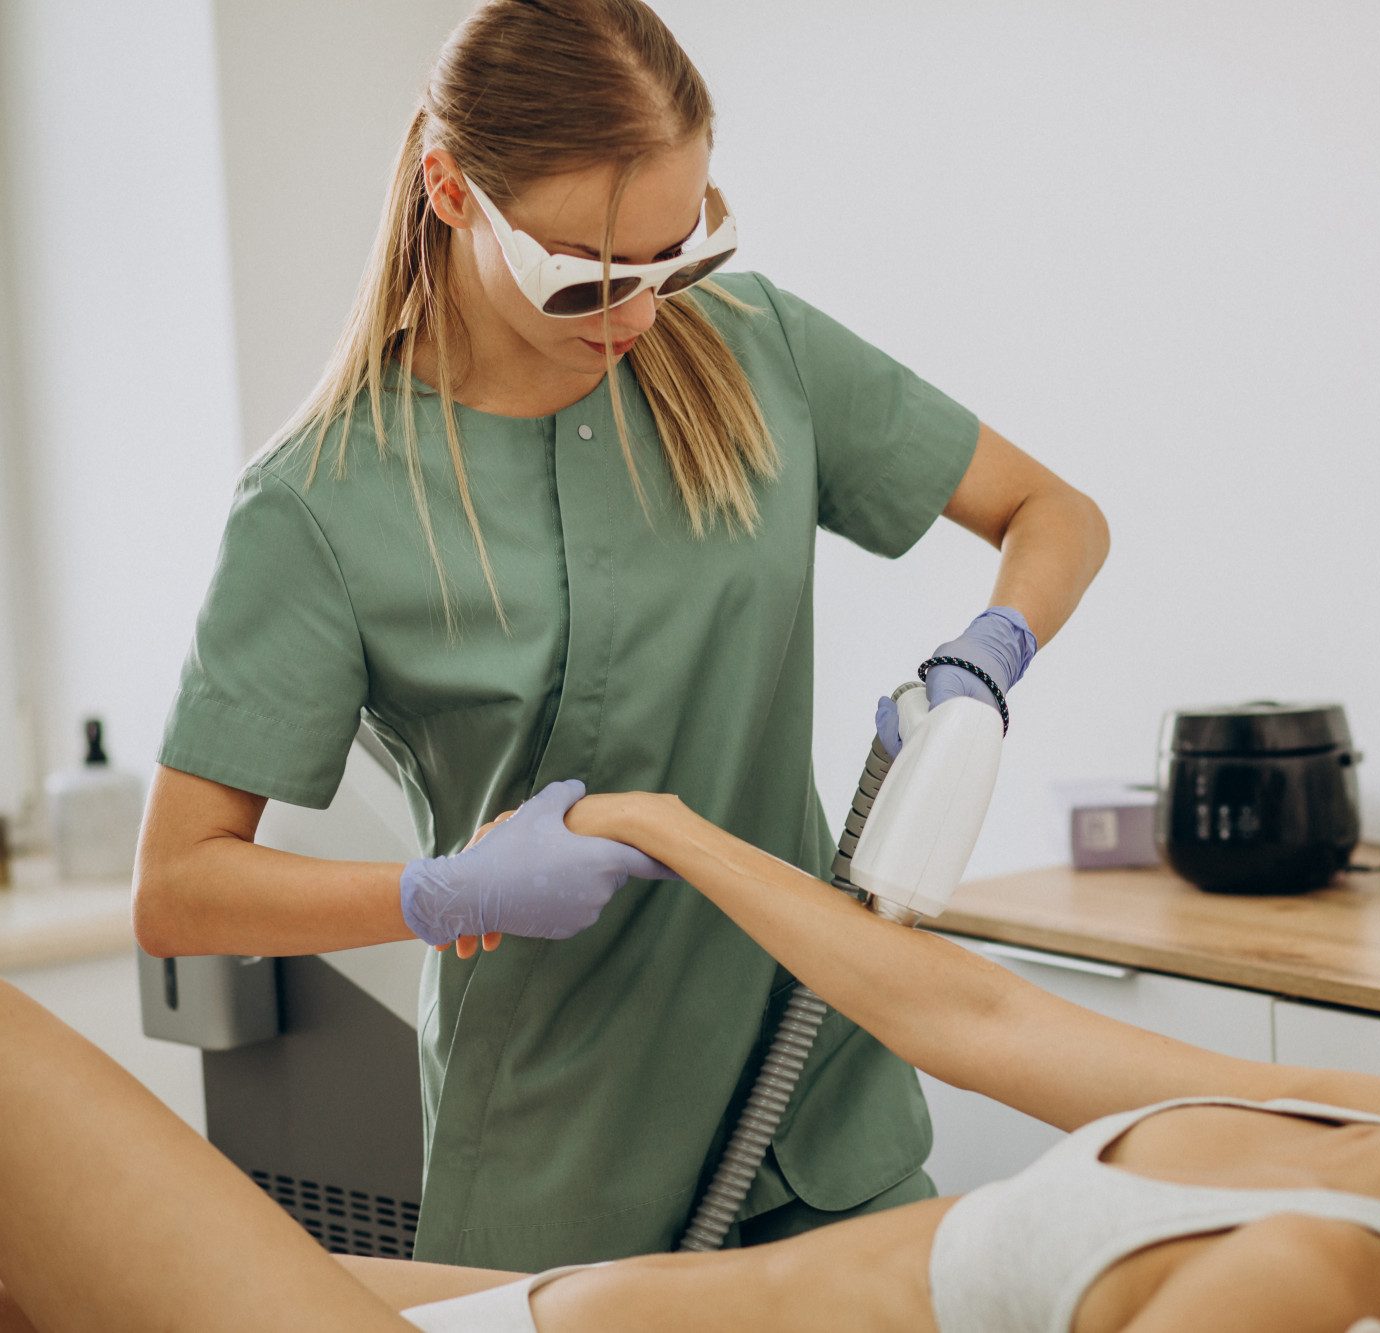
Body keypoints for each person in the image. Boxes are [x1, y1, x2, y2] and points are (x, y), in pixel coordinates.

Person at [132, 0, 1108, 1271]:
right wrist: (440, 894)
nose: (640, 315)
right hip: (559, 1148)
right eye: (588, 276)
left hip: (818, 1103)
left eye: (675, 256)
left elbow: (1054, 515)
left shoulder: (755, 352)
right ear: (451, 190)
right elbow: (179, 889)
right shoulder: (320, 502)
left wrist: (990, 654)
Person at [1, 774, 1380, 1329]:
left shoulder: (1319, 1268)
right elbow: (970, 1014)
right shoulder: (1357, 1123)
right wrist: (663, 826)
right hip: (544, 1306)